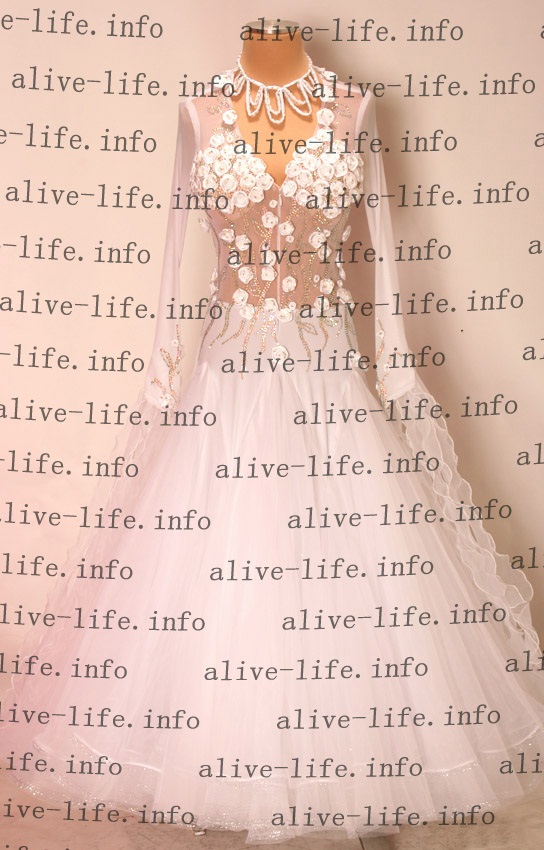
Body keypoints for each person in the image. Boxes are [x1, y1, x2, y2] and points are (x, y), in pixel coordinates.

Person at [2, 23, 544, 846]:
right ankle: (220, 761)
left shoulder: (355, 109)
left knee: (356, 572)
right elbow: (173, 255)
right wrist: (162, 372)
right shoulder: (198, 112)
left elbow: (383, 255)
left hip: (327, 372)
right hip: (228, 379)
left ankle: (352, 764)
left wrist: (398, 371)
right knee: (213, 567)